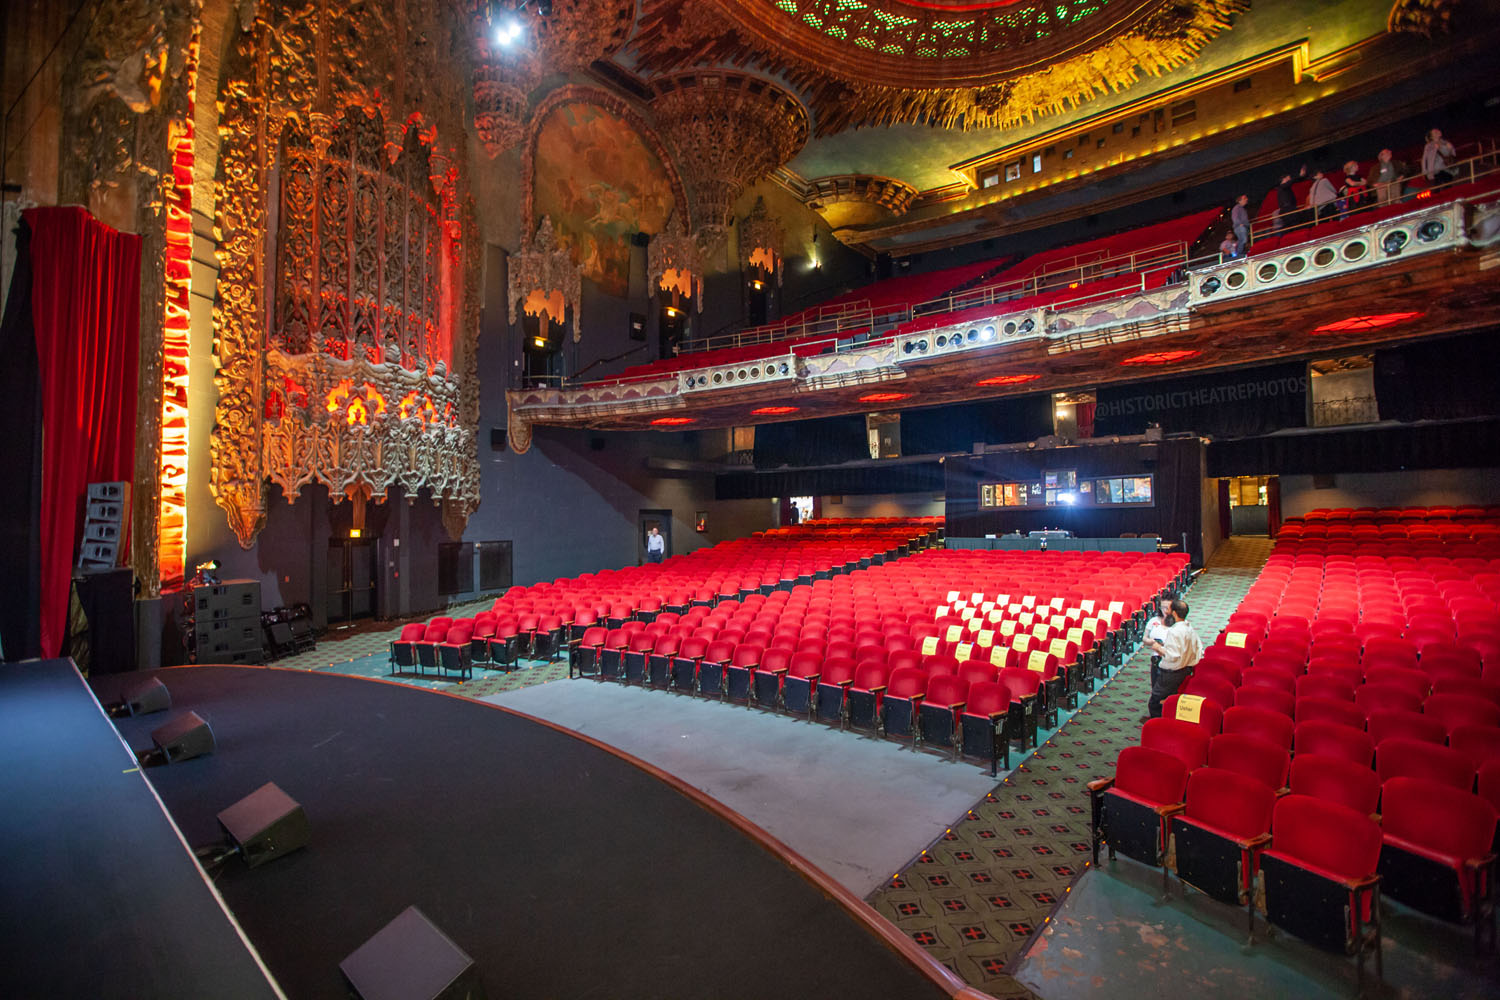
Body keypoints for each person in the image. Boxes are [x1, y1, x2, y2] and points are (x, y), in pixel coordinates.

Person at [1143, 599, 1204, 719]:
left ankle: (1158, 723)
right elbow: (1198, 650)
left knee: (1156, 701)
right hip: (1185, 669)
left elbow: (1172, 656)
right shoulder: (1189, 628)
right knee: (1171, 699)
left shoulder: (1175, 631)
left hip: (1171, 673)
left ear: (1174, 613)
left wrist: (1157, 647)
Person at [1143, 597, 1173, 692]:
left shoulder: (1179, 622)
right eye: (1162, 607)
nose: (1165, 610)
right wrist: (1151, 641)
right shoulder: (1153, 620)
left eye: (1167, 607)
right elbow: (1144, 638)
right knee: (1156, 689)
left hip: (1172, 659)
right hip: (1157, 658)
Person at [1272, 167, 1304, 233]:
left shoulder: (1282, 188)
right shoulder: (1282, 186)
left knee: (1291, 226)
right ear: (1284, 179)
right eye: (1289, 178)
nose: (1290, 179)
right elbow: (1292, 181)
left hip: (1287, 210)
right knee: (1294, 225)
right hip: (1288, 210)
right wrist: (1299, 175)